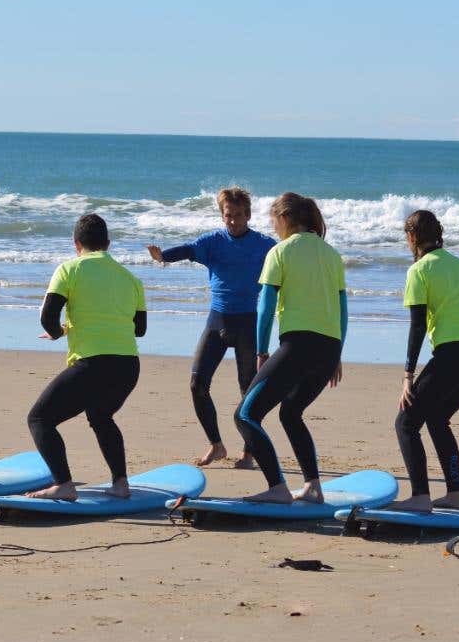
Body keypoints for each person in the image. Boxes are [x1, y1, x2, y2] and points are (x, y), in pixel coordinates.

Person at [145, 186, 274, 469]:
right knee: (197, 384)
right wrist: (164, 256)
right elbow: (189, 250)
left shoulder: (265, 245)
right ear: (222, 215)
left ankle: (249, 451)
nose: (233, 220)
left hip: (249, 324)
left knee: (248, 391)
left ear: (248, 215)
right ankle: (216, 444)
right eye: (228, 215)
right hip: (217, 321)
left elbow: (287, 263)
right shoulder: (213, 242)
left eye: (239, 215)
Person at [234, 192, 347, 504]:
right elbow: (342, 309)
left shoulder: (280, 252)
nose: (274, 228)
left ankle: (277, 487)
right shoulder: (332, 255)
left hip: (298, 346)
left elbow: (265, 307)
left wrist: (261, 351)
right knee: (291, 413)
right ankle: (313, 487)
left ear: (284, 219)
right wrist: (337, 353)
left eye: (274, 222)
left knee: (245, 415)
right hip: (328, 349)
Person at [24, 214, 147, 500]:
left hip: (93, 364)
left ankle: (64, 484)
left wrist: (57, 332)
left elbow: (47, 318)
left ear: (76, 243)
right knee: (101, 416)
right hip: (128, 366)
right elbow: (139, 330)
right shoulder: (131, 279)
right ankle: (120, 483)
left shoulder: (69, 270)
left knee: (39, 419)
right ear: (108, 243)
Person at [381, 209, 459, 512]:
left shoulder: (419, 270)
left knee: (406, 423)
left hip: (452, 356)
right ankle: (455, 494)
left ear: (412, 237)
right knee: (437, 417)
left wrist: (407, 376)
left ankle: (419, 497)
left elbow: (417, 326)